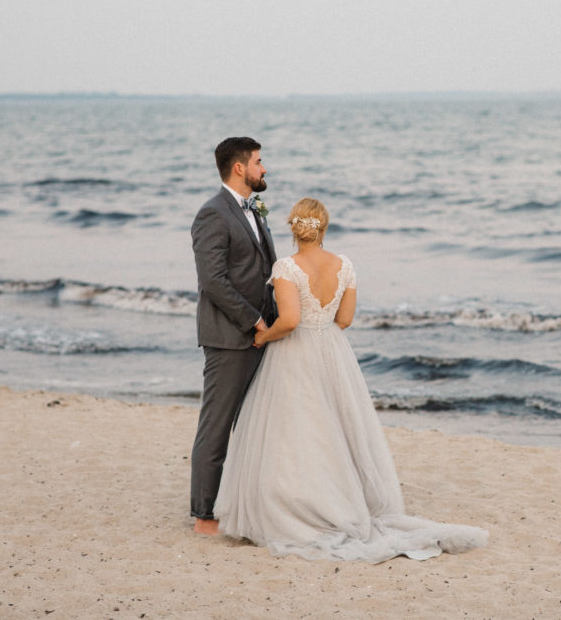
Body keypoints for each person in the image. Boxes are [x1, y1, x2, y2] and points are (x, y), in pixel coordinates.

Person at [214, 198, 487, 562]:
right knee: (339, 426)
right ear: (323, 227)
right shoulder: (345, 265)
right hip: (333, 350)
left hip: (295, 352)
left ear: (293, 228)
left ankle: (303, 503)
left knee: (298, 428)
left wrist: (263, 337)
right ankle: (344, 497)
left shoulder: (286, 267)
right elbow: (345, 319)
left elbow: (290, 320)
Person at [190, 136, 278, 536]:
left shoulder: (252, 210)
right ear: (240, 168)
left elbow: (264, 271)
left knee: (255, 424)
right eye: (259, 161)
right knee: (217, 425)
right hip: (229, 337)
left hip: (263, 335)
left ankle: (241, 503)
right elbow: (213, 281)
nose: (265, 168)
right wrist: (255, 321)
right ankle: (204, 515)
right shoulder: (213, 213)